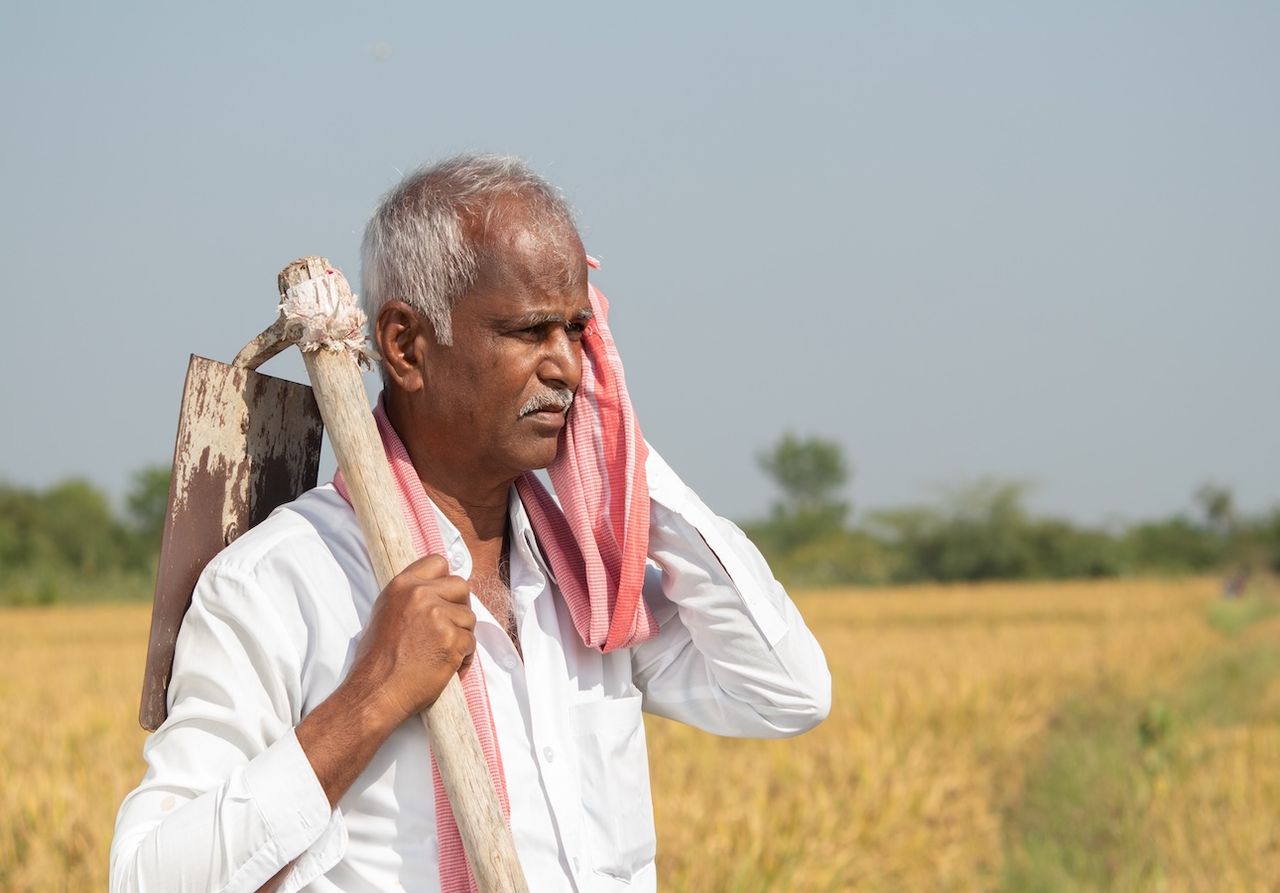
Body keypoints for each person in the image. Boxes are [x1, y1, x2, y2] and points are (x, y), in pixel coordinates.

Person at [110, 154, 831, 893]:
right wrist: (370, 697)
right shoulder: (278, 583)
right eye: (529, 331)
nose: (571, 369)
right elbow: (147, 878)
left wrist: (621, 457)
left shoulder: (587, 584)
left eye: (578, 331)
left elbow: (786, 691)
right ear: (405, 346)